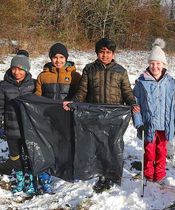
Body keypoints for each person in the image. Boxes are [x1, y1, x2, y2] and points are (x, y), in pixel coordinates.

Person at [63, 38, 138, 193]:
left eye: (108, 52)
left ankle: (110, 174)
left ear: (113, 54)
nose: (105, 55)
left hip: (114, 117)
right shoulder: (89, 69)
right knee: (96, 144)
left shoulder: (120, 71)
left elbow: (127, 92)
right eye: (102, 52)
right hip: (94, 114)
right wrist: (73, 103)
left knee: (112, 145)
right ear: (97, 53)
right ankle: (98, 171)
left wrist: (132, 103)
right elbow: (82, 91)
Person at [132, 38, 175, 183]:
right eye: (152, 63)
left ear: (163, 65)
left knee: (161, 151)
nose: (155, 66)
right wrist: (138, 122)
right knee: (149, 151)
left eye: (158, 63)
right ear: (148, 64)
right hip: (148, 125)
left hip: (165, 125)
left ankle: (159, 174)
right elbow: (135, 105)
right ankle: (148, 174)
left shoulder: (170, 83)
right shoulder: (141, 83)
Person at [34, 42, 81, 193]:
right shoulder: (43, 76)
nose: (58, 60)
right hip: (47, 118)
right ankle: (46, 173)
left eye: (61, 57)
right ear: (51, 58)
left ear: (66, 58)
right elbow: (37, 97)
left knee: (64, 144)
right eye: (55, 57)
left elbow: (80, 96)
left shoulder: (74, 75)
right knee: (47, 145)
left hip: (67, 117)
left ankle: (65, 170)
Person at [0, 53, 37, 195]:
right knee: (15, 156)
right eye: (14, 68)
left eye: (21, 69)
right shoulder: (3, 86)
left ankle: (30, 179)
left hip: (28, 129)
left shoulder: (33, 84)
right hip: (11, 128)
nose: (17, 72)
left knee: (30, 155)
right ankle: (20, 178)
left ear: (27, 70)